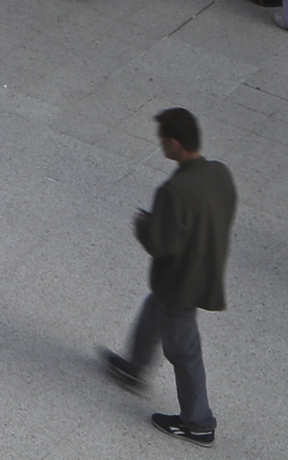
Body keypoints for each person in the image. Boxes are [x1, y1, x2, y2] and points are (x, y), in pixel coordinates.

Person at [100, 108, 234, 444]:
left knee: (184, 349)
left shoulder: (173, 191)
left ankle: (198, 422)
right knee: (154, 308)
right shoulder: (219, 173)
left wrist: (145, 225)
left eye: (162, 140)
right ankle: (134, 368)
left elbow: (161, 245)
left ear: (174, 143)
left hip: (180, 283)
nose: (160, 145)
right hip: (205, 268)